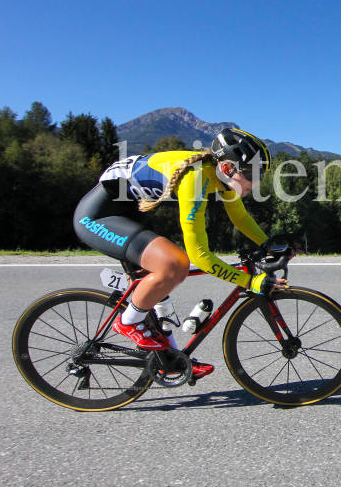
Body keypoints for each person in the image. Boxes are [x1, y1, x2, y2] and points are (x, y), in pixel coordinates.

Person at [73, 127, 286, 379]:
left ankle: (171, 360)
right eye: (252, 174)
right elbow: (199, 256)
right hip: (99, 217)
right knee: (175, 264)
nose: (257, 181)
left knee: (160, 281)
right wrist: (249, 281)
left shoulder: (219, 174)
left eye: (260, 174)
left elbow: (239, 217)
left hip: (129, 213)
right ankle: (127, 322)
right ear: (228, 168)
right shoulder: (195, 178)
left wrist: (271, 245)